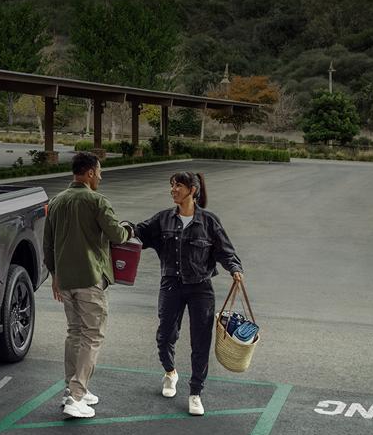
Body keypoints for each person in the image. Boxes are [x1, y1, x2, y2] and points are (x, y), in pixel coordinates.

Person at [134, 172, 244, 416]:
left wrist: (235, 269)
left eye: (178, 186)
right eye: (171, 185)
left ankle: (195, 392)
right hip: (171, 285)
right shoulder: (163, 219)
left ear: (192, 190)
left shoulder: (209, 221)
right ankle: (170, 372)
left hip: (201, 288)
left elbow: (226, 251)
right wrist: (121, 228)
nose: (173, 190)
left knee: (200, 342)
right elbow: (139, 231)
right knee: (165, 336)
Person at [45, 152, 133, 418]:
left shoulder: (57, 201)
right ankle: (76, 395)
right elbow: (117, 234)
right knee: (92, 335)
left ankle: (71, 388)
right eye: (100, 171)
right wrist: (129, 229)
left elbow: (47, 244)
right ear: (90, 173)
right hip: (89, 278)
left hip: (66, 280)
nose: (101, 176)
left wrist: (54, 276)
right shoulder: (96, 201)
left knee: (74, 333)